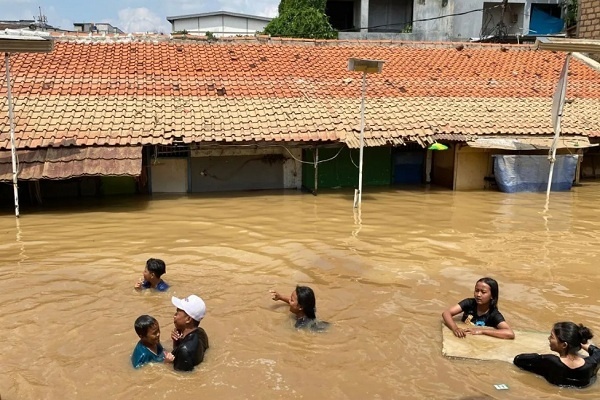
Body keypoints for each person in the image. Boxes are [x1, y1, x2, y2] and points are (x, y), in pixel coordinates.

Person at [513, 322, 600, 387]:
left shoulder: (551, 361)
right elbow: (597, 352)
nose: (549, 339)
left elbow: (519, 359)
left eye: (551, 337)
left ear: (564, 345)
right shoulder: (591, 363)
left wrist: (539, 357)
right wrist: (579, 343)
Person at [442, 277, 514, 339]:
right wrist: (455, 328)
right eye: (477, 291)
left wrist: (482, 331)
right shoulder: (469, 303)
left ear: (492, 296)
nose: (478, 295)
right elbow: (446, 313)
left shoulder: (493, 314)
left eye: (483, 292)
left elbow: (510, 333)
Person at [170, 294, 210, 371]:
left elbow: (179, 377)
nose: (174, 316)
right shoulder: (201, 332)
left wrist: (166, 363)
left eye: (177, 313)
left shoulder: (184, 351)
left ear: (188, 319)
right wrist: (176, 342)